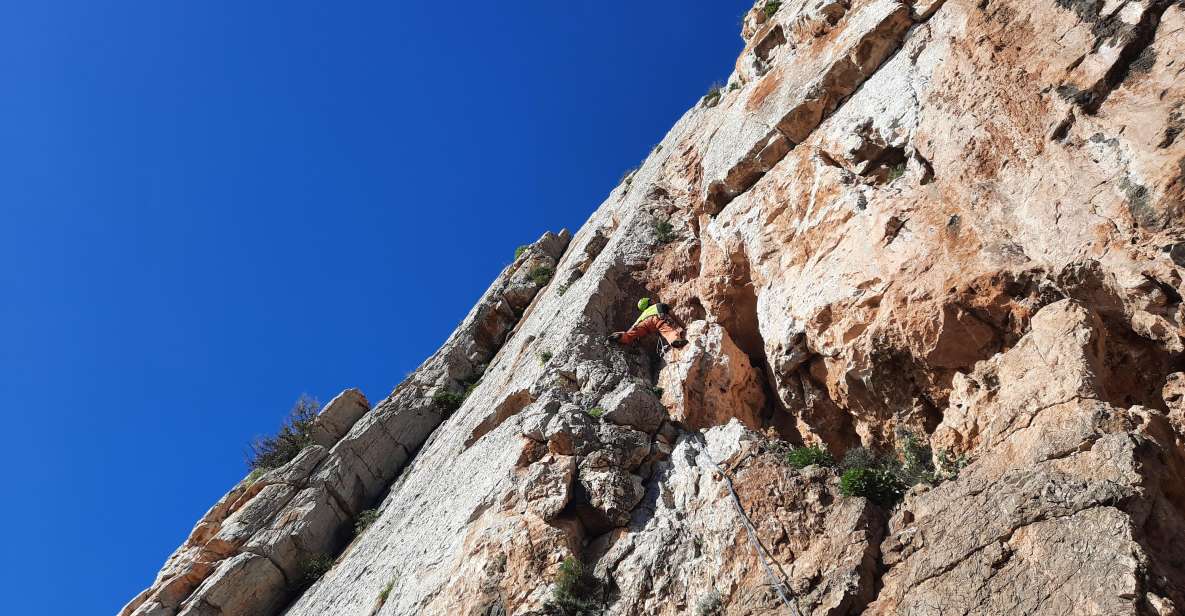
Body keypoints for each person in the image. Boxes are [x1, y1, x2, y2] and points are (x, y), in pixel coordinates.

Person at [608, 297, 688, 348]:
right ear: (649, 303)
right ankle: (675, 340)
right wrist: (684, 327)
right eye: (651, 300)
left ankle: (619, 338)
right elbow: (674, 317)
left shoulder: (643, 313)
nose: (653, 300)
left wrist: (628, 334)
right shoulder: (659, 305)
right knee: (667, 330)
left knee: (628, 336)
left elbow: (634, 326)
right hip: (656, 319)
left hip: (642, 324)